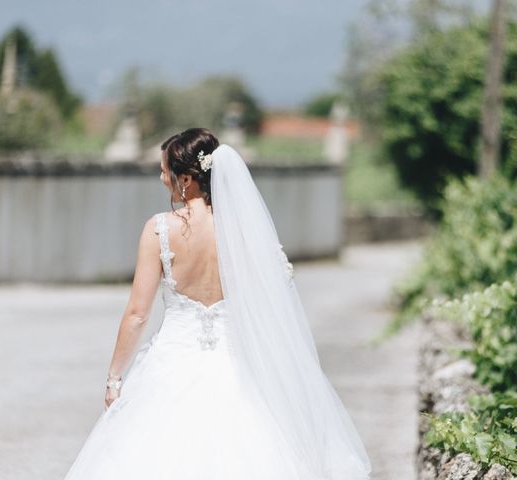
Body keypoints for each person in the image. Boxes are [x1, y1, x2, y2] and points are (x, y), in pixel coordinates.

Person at [64, 128, 372, 479]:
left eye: (166, 172)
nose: (161, 178)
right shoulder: (244, 230)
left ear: (185, 180)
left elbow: (137, 314)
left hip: (172, 362)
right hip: (239, 362)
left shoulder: (159, 230)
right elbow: (271, 302)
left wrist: (114, 378)